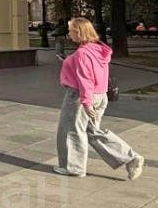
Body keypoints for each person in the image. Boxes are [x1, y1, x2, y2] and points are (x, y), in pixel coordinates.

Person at [55, 17, 145, 180]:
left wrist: (86, 102)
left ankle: (74, 168)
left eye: (71, 30)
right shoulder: (97, 50)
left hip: (80, 97)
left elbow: (85, 79)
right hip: (99, 95)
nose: (69, 33)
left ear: (79, 32)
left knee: (71, 130)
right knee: (93, 132)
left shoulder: (82, 53)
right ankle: (131, 158)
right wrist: (69, 62)